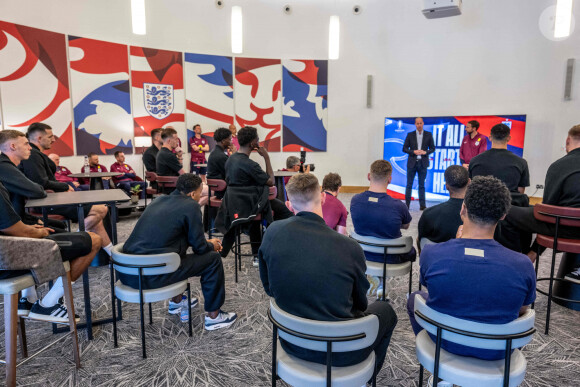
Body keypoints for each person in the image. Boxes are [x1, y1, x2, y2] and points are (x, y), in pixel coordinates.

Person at [258, 173, 397, 381]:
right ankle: (364, 379)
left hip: (291, 341)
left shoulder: (271, 233)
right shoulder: (350, 248)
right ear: (322, 198)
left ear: (288, 204)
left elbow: (269, 288)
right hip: (342, 351)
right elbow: (360, 303)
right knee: (386, 311)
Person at [407, 176, 535, 369]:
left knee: (415, 298)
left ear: (463, 209)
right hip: (497, 352)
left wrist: (456, 245)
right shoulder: (523, 264)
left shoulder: (432, 253)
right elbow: (522, 310)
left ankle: (440, 368)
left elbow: (435, 292)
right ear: (503, 215)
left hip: (445, 343)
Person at [117, 174, 237, 330]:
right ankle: (214, 316)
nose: (200, 196)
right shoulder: (191, 206)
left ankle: (177, 302)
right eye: (200, 192)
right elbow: (199, 248)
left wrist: (205, 242)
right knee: (212, 259)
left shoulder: (159, 200)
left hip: (128, 271)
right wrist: (211, 246)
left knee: (174, 255)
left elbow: (171, 238)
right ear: (193, 194)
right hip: (150, 276)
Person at [0, 130, 114, 257]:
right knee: (97, 217)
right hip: (14, 233)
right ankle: (96, 247)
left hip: (23, 218)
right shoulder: (4, 166)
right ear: (13, 146)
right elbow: (37, 189)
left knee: (86, 222)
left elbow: (33, 189)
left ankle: (110, 253)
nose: (29, 147)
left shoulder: (11, 166)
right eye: (26, 144)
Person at [0, 180, 102, 323]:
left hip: (7, 256)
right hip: (9, 260)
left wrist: (28, 229)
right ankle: (48, 304)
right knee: (94, 240)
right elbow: (17, 231)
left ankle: (27, 298)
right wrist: (38, 232)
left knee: (57, 231)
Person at [503, 125, 580, 274]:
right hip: (569, 222)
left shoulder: (559, 165)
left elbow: (548, 212)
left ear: (567, 140)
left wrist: (534, 251)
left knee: (506, 212)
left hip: (566, 227)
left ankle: (518, 264)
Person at [217, 126, 293, 266]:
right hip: (249, 204)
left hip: (235, 203)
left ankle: (257, 252)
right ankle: (278, 245)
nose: (259, 141)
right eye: (257, 139)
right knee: (284, 212)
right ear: (253, 143)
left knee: (264, 209)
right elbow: (270, 181)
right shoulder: (250, 165)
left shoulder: (230, 160)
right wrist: (267, 157)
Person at [351, 160, 416, 297]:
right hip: (391, 258)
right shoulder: (398, 206)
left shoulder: (355, 200)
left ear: (369, 176)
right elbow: (406, 225)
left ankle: (374, 278)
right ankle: (381, 281)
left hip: (362, 255)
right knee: (411, 250)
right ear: (390, 179)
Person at [468, 123, 530, 195]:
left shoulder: (475, 161)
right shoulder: (521, 163)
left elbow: (471, 187)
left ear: (490, 138)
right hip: (510, 204)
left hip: (480, 204)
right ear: (508, 138)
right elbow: (520, 192)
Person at [418, 165, 469, 244]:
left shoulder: (429, 214)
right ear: (469, 182)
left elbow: (421, 241)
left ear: (447, 186)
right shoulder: (482, 215)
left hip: (437, 255)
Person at [402, 117, 436, 210]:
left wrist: (426, 152)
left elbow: (433, 148)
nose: (419, 125)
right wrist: (413, 151)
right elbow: (404, 148)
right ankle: (407, 205)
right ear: (415, 124)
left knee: (422, 185)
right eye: (417, 123)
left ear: (423, 123)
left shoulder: (428, 134)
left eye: (420, 123)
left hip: (423, 163)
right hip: (412, 163)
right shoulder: (410, 135)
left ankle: (422, 206)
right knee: (409, 185)